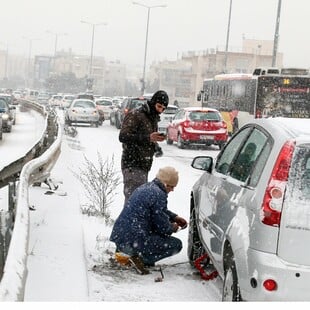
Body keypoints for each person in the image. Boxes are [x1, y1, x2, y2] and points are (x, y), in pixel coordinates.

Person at [110, 166, 188, 275]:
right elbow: (162, 226)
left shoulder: (147, 187)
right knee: (176, 245)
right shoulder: (159, 194)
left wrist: (174, 217)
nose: (172, 190)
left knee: (148, 235)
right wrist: (172, 227)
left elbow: (158, 211)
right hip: (135, 239)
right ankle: (140, 259)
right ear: (165, 184)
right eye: (172, 187)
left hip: (121, 236)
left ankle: (125, 253)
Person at [119, 90, 169, 204]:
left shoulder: (152, 118)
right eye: (159, 106)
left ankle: (131, 221)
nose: (160, 110)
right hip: (132, 163)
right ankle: (128, 222)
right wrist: (148, 138)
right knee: (134, 203)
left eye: (163, 109)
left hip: (143, 166)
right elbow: (123, 136)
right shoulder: (136, 114)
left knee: (138, 203)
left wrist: (156, 145)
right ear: (153, 103)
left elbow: (148, 138)